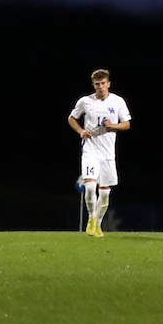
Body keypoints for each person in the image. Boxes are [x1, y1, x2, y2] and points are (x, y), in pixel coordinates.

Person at [66, 67, 131, 236]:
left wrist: (113, 126)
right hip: (90, 150)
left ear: (108, 84)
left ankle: (98, 222)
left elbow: (127, 124)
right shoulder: (85, 102)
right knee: (89, 187)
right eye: (97, 84)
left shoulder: (118, 102)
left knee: (104, 193)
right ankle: (91, 219)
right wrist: (81, 131)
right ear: (93, 85)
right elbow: (72, 118)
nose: (100, 86)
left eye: (103, 83)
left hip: (108, 154)